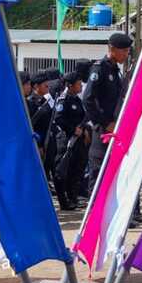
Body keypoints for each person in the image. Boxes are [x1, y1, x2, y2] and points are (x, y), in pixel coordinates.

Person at [82, 32, 131, 195]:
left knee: (113, 173)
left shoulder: (115, 70)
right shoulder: (100, 69)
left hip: (115, 129)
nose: (126, 54)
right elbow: (88, 99)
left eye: (127, 51)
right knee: (98, 173)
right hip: (103, 131)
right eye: (123, 51)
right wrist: (104, 123)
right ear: (112, 49)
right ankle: (93, 215)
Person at [53, 72, 88, 211]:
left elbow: (82, 117)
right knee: (62, 170)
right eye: (78, 84)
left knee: (77, 169)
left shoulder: (77, 99)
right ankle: (64, 201)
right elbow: (58, 118)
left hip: (78, 141)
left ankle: (73, 198)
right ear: (70, 85)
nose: (81, 86)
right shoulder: (63, 99)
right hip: (66, 140)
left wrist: (83, 129)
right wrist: (73, 129)